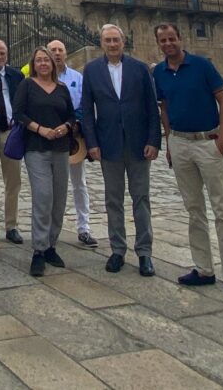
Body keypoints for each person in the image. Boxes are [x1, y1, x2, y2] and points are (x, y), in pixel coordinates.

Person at [153, 22, 223, 304]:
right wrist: (169, 140)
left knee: (222, 209)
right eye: (163, 40)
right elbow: (164, 107)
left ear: (180, 39)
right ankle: (204, 269)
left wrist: (222, 139)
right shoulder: (159, 72)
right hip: (180, 142)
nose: (168, 44)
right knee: (194, 209)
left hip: (207, 142)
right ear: (158, 43)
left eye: (171, 38)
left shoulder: (202, 65)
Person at [81, 23, 161, 277]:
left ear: (123, 42)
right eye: (108, 40)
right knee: (113, 199)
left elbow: (152, 106)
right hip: (108, 144)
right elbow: (86, 110)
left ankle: (144, 252)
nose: (112, 44)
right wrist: (92, 143)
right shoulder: (92, 70)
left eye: (116, 40)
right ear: (101, 43)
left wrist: (154, 140)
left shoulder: (140, 68)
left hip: (139, 144)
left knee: (141, 198)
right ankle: (117, 249)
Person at [13, 46, 76, 276]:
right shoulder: (27, 86)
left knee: (59, 198)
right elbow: (18, 114)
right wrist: (40, 129)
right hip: (36, 148)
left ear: (52, 64)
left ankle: (51, 245)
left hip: (60, 148)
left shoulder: (62, 88)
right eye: (38, 60)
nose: (43, 64)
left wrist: (66, 127)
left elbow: (71, 115)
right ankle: (39, 249)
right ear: (33, 64)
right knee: (43, 196)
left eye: (46, 60)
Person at [47, 39, 98, 247]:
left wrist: (76, 124)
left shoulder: (77, 78)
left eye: (60, 50)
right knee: (50, 185)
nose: (57, 53)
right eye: (53, 50)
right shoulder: (40, 78)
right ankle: (49, 228)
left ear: (66, 53)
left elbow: (85, 105)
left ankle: (84, 227)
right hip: (50, 136)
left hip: (74, 137)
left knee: (79, 183)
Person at [0, 39, 24, 244]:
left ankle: (11, 225)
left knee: (13, 182)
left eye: (2, 53)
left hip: (11, 133)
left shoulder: (16, 76)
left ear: (7, 56)